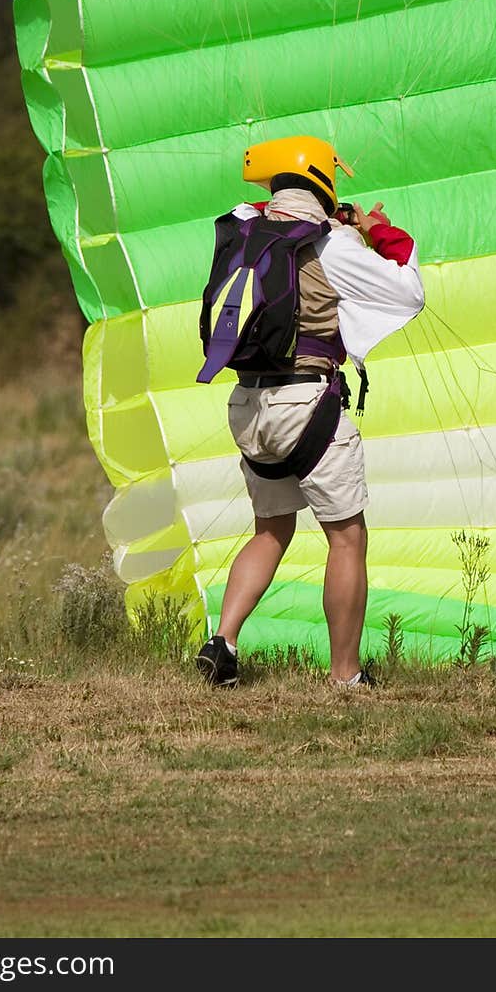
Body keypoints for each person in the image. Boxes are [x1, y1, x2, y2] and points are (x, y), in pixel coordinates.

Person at [195, 135, 425, 688]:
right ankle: (345, 676)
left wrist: (336, 223)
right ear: (323, 179)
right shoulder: (333, 246)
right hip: (307, 405)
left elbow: (266, 215)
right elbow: (407, 292)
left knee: (270, 529)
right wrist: (374, 233)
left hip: (247, 404)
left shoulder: (241, 228)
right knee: (346, 538)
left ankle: (222, 641)